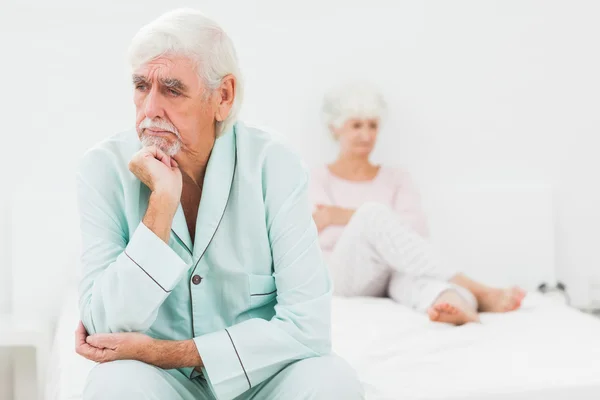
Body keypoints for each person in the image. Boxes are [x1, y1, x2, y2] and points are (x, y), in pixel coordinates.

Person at [74, 9, 364, 400]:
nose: (150, 110)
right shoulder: (102, 169)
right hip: (160, 385)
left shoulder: (273, 164)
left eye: (172, 90)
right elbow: (104, 328)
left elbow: (309, 326)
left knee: (333, 381)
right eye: (142, 86)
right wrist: (160, 205)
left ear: (223, 97)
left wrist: (164, 352)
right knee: (112, 386)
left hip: (263, 378)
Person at [311, 82, 526, 326]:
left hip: (392, 273)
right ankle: (476, 288)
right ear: (335, 128)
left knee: (421, 276)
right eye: (356, 125)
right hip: (343, 276)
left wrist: (339, 216)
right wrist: (370, 223)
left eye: (373, 125)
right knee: (372, 214)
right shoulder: (318, 178)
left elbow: (415, 235)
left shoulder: (396, 177)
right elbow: (316, 234)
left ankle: (455, 303)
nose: (366, 135)